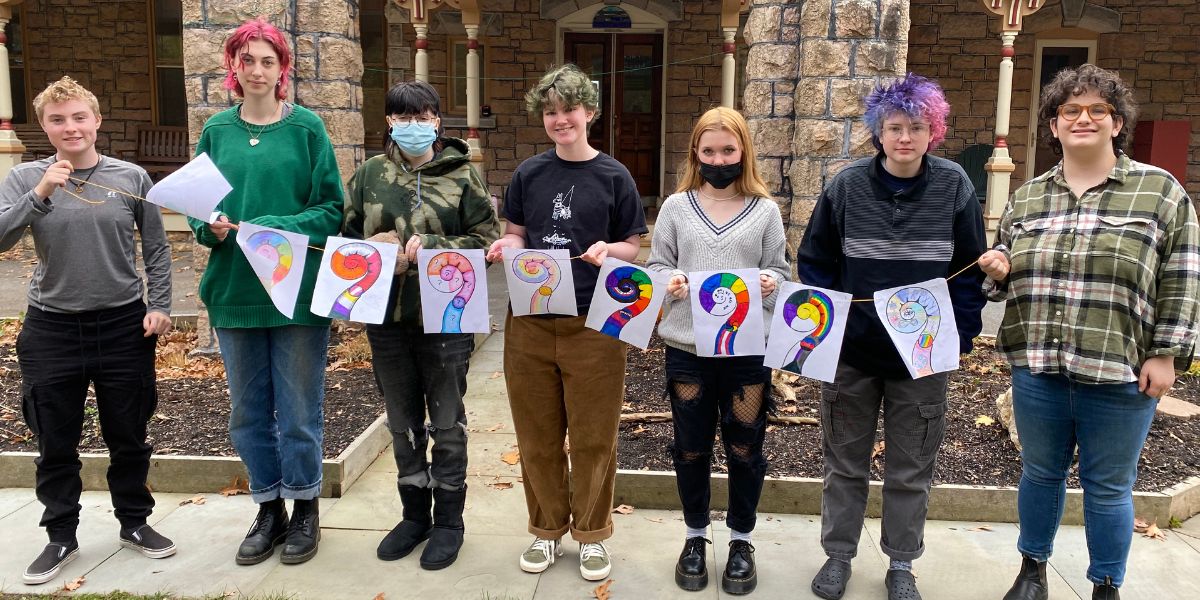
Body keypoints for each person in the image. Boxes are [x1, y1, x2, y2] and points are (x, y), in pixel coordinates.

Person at [979, 64, 1198, 600]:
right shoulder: (1028, 198)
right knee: (1039, 476)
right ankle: (1032, 571)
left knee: (1109, 489)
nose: (1083, 118)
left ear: (1116, 123)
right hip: (1039, 370)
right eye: (1070, 110)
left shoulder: (1159, 192)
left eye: (1097, 109)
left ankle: (1105, 584)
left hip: (1119, 372)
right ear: (1054, 126)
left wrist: (1167, 354)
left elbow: (1183, 275)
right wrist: (1000, 269)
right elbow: (1008, 271)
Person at [796, 73, 987, 600]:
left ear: (934, 132)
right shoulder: (845, 186)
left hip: (923, 356)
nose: (905, 137)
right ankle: (838, 556)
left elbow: (969, 266)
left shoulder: (954, 187)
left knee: (911, 467)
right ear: (878, 132)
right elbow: (815, 261)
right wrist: (829, 328)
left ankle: (902, 563)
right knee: (843, 464)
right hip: (851, 354)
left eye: (917, 127)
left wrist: (961, 336)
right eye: (894, 127)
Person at [0, 76, 175, 584]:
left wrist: (160, 305)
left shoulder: (130, 176)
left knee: (129, 434)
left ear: (96, 121)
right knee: (55, 439)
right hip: (51, 328)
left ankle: (135, 523)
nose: (70, 127)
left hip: (123, 324)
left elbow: (158, 249)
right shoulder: (25, 179)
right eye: (58, 120)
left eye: (79, 117)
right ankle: (60, 536)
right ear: (45, 127)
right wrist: (42, 191)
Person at [187, 18, 343, 566]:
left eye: (267, 60)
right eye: (246, 59)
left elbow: (330, 210)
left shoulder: (307, 129)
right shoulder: (216, 132)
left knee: (299, 411)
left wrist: (273, 224)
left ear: (283, 70)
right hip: (234, 291)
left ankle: (304, 508)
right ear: (232, 66)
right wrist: (213, 226)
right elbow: (200, 213)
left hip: (296, 293)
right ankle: (268, 508)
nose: (256, 70)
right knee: (249, 414)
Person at [484, 63, 648, 582]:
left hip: (595, 322)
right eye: (551, 112)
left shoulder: (614, 175)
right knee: (536, 434)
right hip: (530, 318)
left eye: (569, 110)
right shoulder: (529, 174)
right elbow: (517, 232)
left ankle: (593, 535)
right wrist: (506, 246)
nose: (560, 120)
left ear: (590, 113)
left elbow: (634, 246)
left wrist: (611, 251)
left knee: (595, 434)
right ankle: (546, 528)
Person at [344, 80, 499, 570]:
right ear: (389, 121)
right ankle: (415, 515)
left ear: (437, 120)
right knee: (402, 422)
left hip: (448, 319)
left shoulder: (462, 176)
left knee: (447, 424)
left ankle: (449, 521)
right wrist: (375, 251)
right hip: (387, 319)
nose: (414, 126)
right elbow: (345, 238)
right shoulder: (370, 174)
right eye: (403, 117)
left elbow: (486, 242)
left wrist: (431, 249)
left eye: (424, 116)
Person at [645, 106, 788, 595]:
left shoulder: (765, 210)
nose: (719, 158)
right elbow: (657, 266)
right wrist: (671, 282)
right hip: (688, 348)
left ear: (743, 151)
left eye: (728, 150)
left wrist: (771, 282)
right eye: (709, 151)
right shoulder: (676, 207)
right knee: (690, 447)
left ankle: (742, 540)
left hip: (747, 351)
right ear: (696, 153)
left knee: (745, 447)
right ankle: (694, 535)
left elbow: (782, 270)